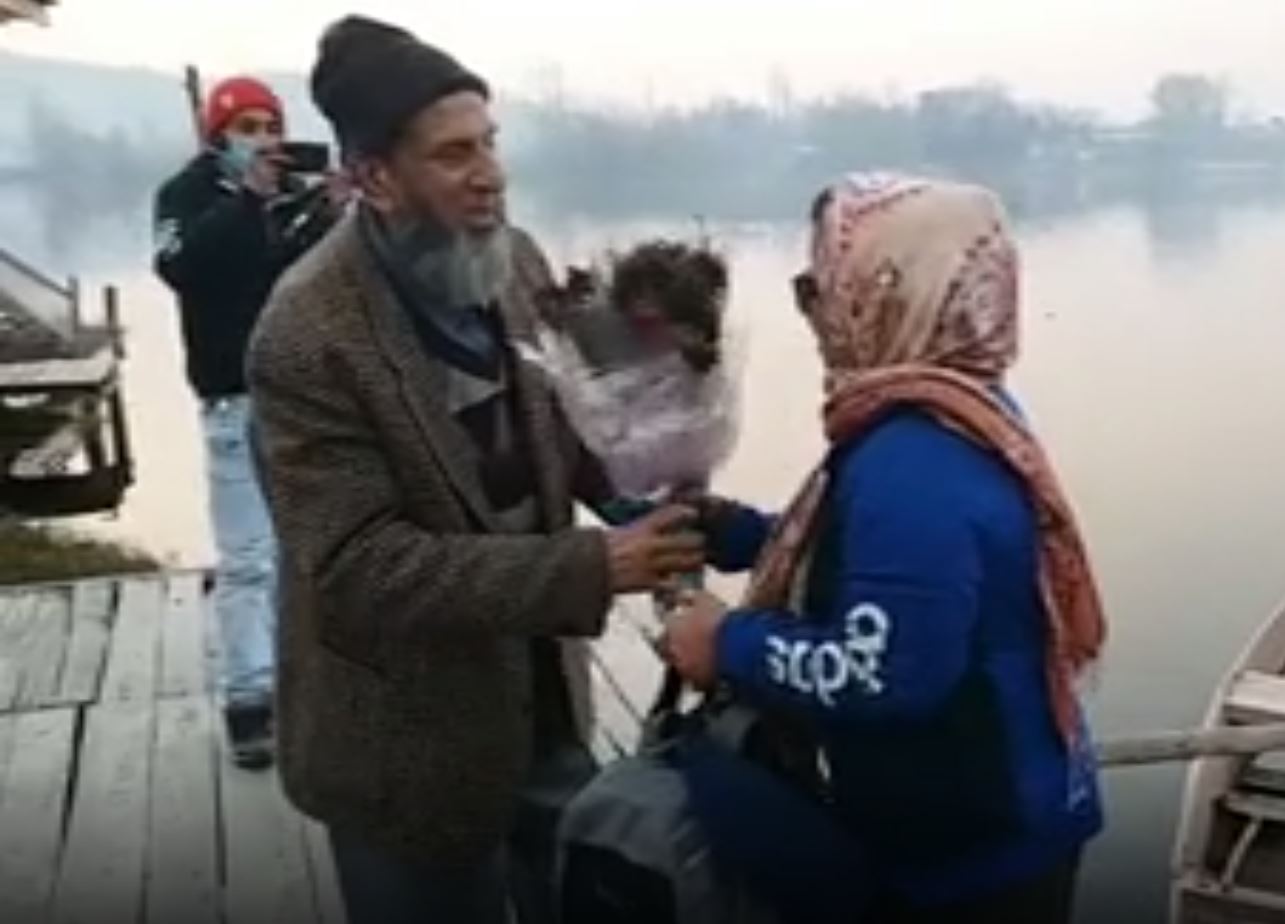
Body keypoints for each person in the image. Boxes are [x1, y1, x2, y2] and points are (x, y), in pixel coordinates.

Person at [245, 16, 704, 924]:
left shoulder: (513, 261)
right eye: (454, 155)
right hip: (399, 748)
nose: (490, 174)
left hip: (543, 705)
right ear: (376, 177)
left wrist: (638, 484)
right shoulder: (304, 337)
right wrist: (593, 565)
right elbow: (358, 567)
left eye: (490, 143)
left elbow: (563, 423)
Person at [664, 175, 1107, 924]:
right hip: (1006, 808)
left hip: (973, 856)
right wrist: (746, 536)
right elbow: (898, 575)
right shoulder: (960, 407)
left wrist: (726, 643)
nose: (811, 312)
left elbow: (889, 669)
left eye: (820, 286)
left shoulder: (915, 458)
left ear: (886, 290)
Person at [153, 75, 341, 769]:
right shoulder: (186, 195)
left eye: (271, 125)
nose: (262, 139)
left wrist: (333, 213)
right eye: (248, 125)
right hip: (232, 399)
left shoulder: (292, 194)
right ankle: (249, 699)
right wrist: (249, 201)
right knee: (246, 561)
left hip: (302, 397)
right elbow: (181, 267)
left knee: (312, 550)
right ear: (217, 132)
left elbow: (315, 276)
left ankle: (307, 687)